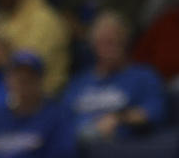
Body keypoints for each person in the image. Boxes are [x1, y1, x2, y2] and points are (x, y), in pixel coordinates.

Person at [63, 12, 166, 142]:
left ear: (125, 42)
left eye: (115, 42)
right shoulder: (79, 83)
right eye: (104, 43)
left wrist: (117, 118)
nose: (110, 49)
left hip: (119, 149)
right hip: (78, 148)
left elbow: (153, 112)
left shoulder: (144, 77)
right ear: (93, 46)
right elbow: (62, 119)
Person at [0, 0, 71, 95]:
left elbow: (28, 64)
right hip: (7, 95)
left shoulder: (45, 19)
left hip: (42, 98)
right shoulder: (2, 17)